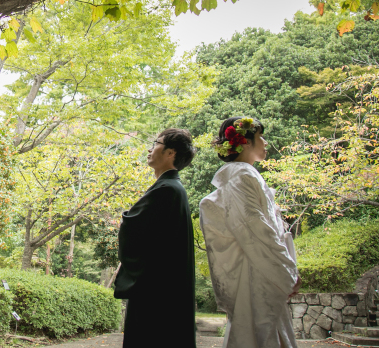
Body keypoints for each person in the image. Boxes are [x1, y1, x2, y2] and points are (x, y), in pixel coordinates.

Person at [199, 117, 301, 348]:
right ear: (244, 142)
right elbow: (256, 230)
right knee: (262, 333)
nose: (265, 142)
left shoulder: (243, 174)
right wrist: (287, 269)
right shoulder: (242, 175)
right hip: (257, 270)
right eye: (260, 137)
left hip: (259, 268)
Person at [113, 128, 197, 348]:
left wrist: (127, 220)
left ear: (171, 153)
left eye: (156, 143)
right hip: (166, 289)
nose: (150, 149)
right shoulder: (172, 188)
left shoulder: (167, 189)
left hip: (156, 293)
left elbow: (133, 231)